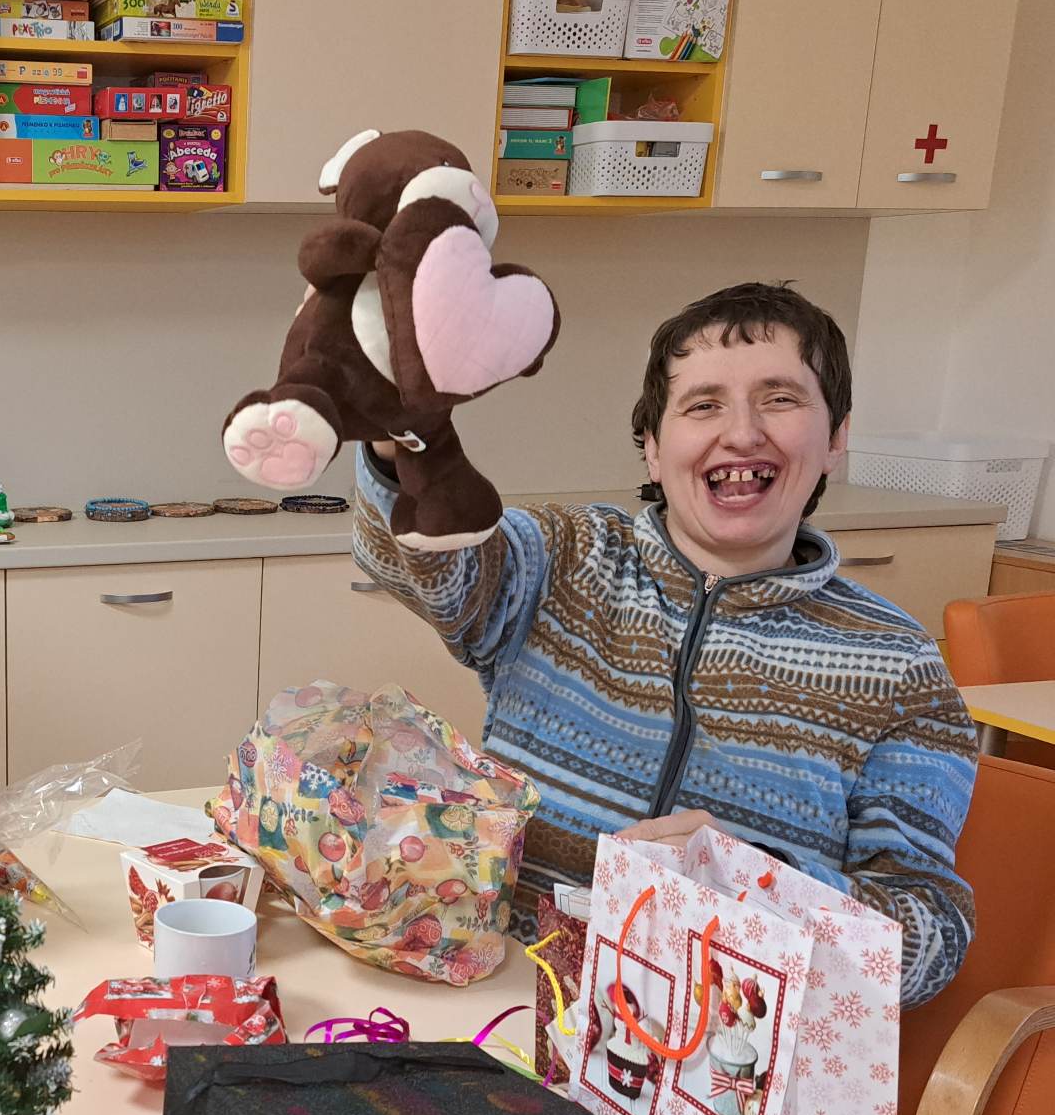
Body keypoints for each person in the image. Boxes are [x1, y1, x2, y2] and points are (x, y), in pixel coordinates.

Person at [353, 281, 975, 1006]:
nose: (742, 434)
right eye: (703, 405)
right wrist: (405, 438)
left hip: (719, 1049)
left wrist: (750, 882)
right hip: (502, 1007)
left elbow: (928, 940)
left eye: (779, 399)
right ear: (652, 448)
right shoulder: (567, 557)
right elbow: (433, 565)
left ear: (836, 437)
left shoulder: (898, 666)